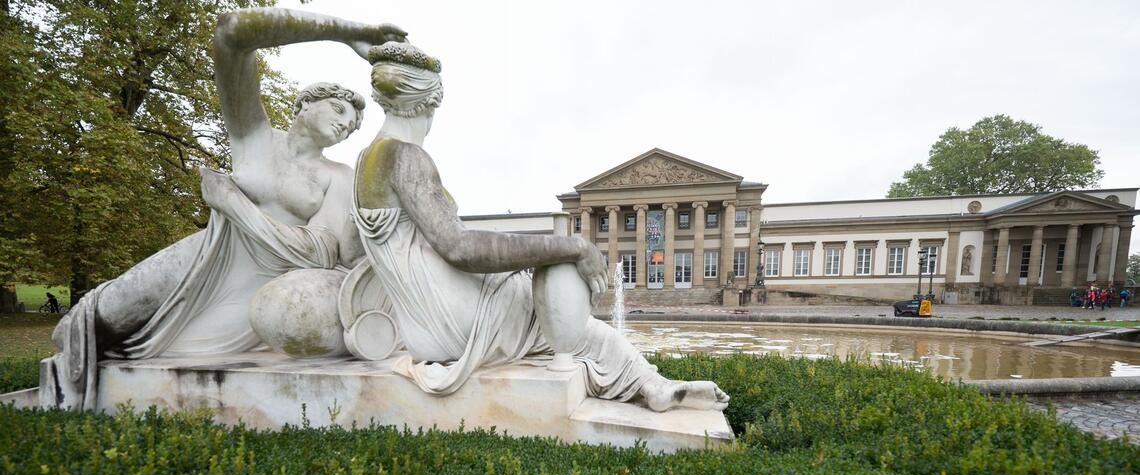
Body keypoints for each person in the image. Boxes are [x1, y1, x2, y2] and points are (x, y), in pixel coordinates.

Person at [44, 9, 405, 410]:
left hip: (255, 290)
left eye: (354, 125)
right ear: (305, 104)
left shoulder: (338, 175)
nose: (347, 126)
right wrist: (348, 30)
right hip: (206, 257)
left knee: (124, 344)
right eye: (340, 110)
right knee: (84, 325)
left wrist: (234, 206)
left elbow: (319, 253)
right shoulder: (255, 138)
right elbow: (231, 34)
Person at [350, 42, 728, 412]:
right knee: (558, 278)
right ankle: (649, 383)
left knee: (549, 307)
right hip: (455, 323)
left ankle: (649, 382)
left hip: (422, 326)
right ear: (433, 100)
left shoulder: (367, 160)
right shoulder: (406, 156)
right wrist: (574, 247)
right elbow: (459, 247)